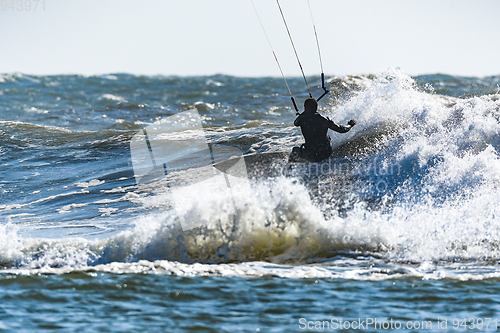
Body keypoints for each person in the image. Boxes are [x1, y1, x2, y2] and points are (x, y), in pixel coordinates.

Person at [289, 97, 356, 163]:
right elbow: (341, 129)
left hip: (311, 154)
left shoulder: (302, 119)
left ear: (305, 107)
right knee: (327, 138)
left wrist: (303, 114)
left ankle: (289, 171)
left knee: (295, 150)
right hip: (325, 153)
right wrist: (350, 125)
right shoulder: (324, 119)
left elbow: (296, 123)